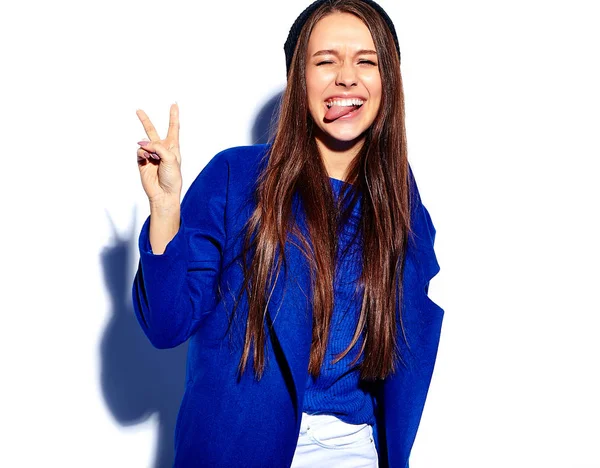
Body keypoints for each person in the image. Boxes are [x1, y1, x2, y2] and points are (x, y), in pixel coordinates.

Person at [132, 0, 443, 466]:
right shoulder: (236, 176)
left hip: (352, 450)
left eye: (366, 60)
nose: (346, 77)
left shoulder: (400, 206)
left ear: (389, 81)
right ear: (298, 78)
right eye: (325, 61)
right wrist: (165, 209)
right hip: (238, 447)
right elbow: (167, 325)